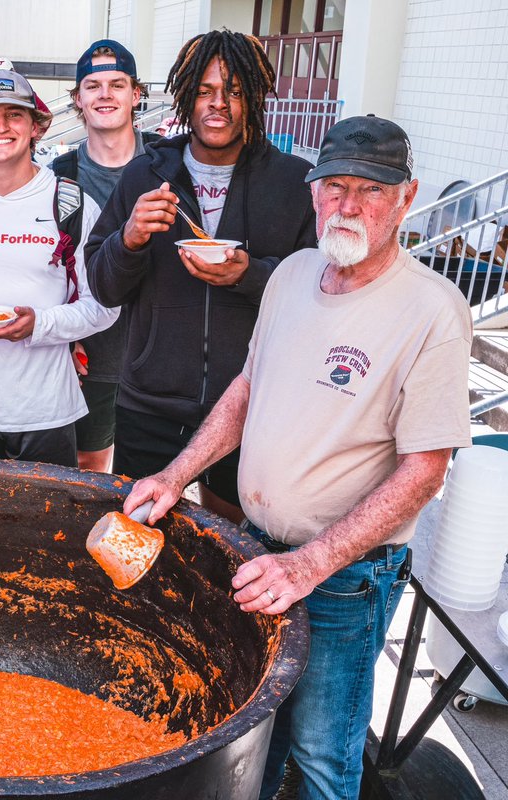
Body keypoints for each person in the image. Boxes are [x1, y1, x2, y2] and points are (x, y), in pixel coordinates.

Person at [123, 115, 472, 800]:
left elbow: (426, 468)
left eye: (370, 190)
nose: (346, 206)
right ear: (313, 191)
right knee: (258, 734)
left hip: (344, 578)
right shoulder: (292, 274)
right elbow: (247, 391)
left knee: (321, 753)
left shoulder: (433, 310)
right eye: (333, 185)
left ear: (407, 197)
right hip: (258, 551)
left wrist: (311, 563)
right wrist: (175, 476)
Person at [84, 30, 316, 519]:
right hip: (149, 401)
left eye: (234, 91)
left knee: (227, 543)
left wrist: (247, 275)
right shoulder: (145, 175)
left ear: (253, 98)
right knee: (136, 531)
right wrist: (129, 238)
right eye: (207, 91)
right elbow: (104, 287)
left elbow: (317, 289)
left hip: (247, 404)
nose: (220, 105)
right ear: (187, 97)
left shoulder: (293, 183)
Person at [0, 69, 118, 467]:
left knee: (45, 530)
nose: (0, 127)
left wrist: (41, 325)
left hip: (46, 411)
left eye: (14, 115)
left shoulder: (73, 204)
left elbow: (104, 305)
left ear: (36, 127)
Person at [50, 39, 159, 473]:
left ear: (136, 94)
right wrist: (64, 338)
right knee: (88, 464)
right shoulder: (60, 177)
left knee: (151, 476)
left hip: (157, 349)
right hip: (93, 351)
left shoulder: (168, 163)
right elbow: (51, 266)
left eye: (117, 84)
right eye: (93, 86)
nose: (105, 95)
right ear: (78, 98)